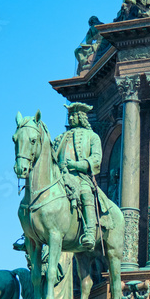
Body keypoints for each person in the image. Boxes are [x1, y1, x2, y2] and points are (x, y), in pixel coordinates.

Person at [53, 102, 103, 250]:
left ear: (81, 117)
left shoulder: (92, 136)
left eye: (74, 115)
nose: (71, 118)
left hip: (80, 176)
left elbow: (96, 159)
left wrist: (76, 165)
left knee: (85, 193)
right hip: (60, 176)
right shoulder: (60, 138)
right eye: (69, 115)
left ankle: (89, 232)